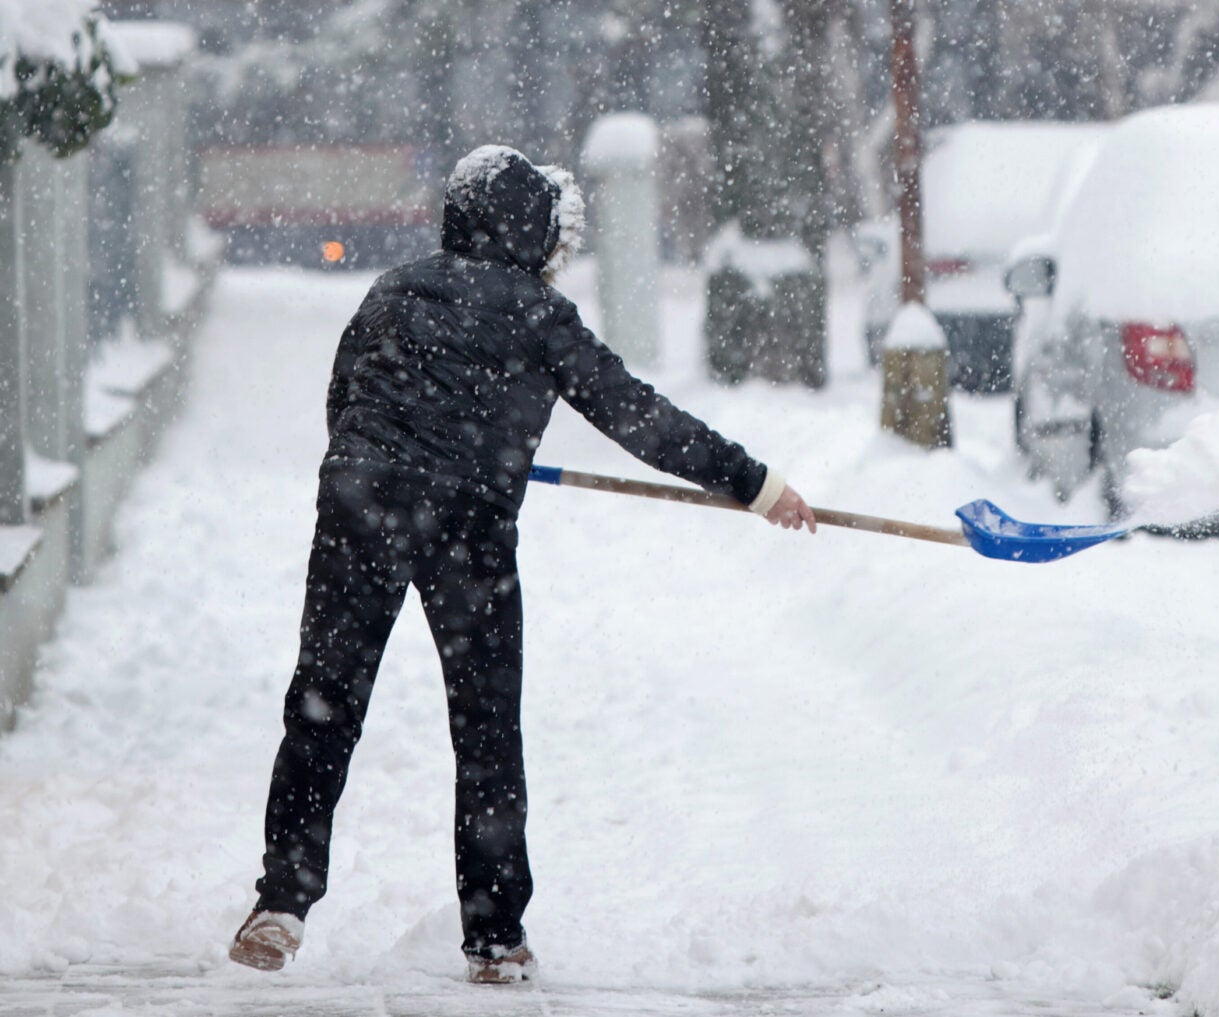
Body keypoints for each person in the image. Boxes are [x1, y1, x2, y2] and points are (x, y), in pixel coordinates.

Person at [229, 145, 816, 983]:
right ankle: (495, 936)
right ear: (529, 231)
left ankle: (281, 899)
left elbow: (346, 399)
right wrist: (756, 484)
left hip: (361, 503)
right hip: (467, 528)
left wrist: (397, 461)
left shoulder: (393, 288)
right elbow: (638, 416)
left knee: (324, 704)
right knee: (486, 729)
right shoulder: (540, 315)